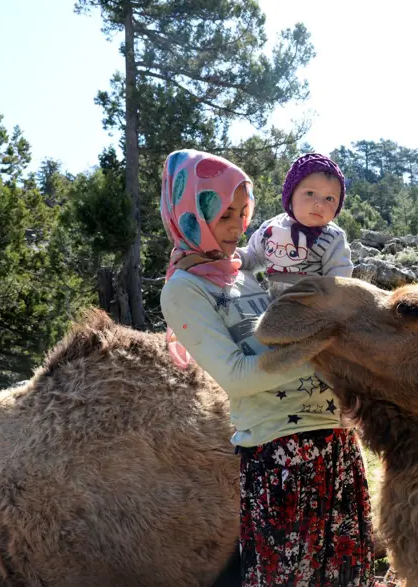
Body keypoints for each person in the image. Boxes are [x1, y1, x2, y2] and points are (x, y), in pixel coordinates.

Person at [159, 149, 376, 586]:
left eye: (243, 213)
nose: (237, 227)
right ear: (189, 214)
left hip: (332, 438)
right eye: (224, 215)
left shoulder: (239, 273)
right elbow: (237, 378)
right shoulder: (184, 290)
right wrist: (324, 342)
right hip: (280, 454)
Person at [238, 153, 353, 296]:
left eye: (329, 198)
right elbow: (253, 256)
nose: (319, 204)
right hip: (272, 301)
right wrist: (237, 259)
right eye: (310, 193)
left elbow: (339, 277)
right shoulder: (271, 227)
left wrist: (332, 302)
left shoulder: (333, 237)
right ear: (290, 194)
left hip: (312, 304)